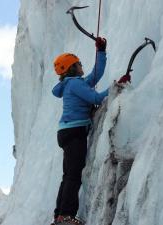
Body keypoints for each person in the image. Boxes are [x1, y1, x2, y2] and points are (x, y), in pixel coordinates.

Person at [51, 37, 130, 225]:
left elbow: (96, 74)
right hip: (74, 132)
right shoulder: (75, 84)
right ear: (71, 68)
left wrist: (101, 51)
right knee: (73, 175)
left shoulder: (74, 83)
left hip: (68, 133)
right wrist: (116, 86)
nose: (81, 65)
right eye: (78, 63)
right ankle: (66, 216)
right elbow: (95, 97)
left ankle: (60, 215)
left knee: (68, 175)